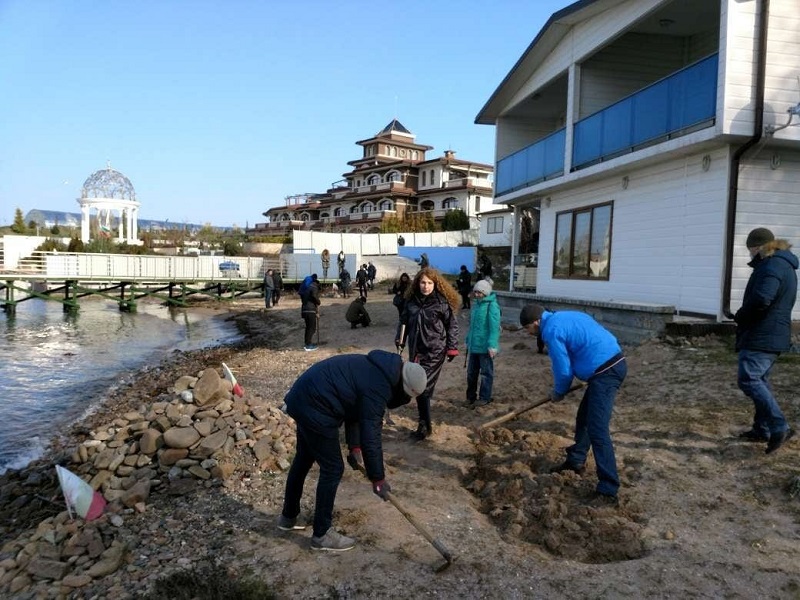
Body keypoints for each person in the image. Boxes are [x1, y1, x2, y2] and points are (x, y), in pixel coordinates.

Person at [278, 350, 428, 551]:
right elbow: (371, 435)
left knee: (304, 457)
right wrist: (378, 479)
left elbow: (353, 408)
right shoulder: (379, 387)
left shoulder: (382, 369)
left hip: (304, 397)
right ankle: (322, 535)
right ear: (404, 386)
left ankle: (288, 517)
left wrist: (354, 446)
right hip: (316, 406)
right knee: (332, 469)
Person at [519, 303, 627, 505]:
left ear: (536, 322)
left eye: (528, 329)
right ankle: (576, 460)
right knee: (584, 417)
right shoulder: (564, 316)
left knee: (597, 429)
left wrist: (559, 392)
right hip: (609, 364)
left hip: (606, 371)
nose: (528, 333)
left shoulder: (551, 330)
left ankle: (608, 489)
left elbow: (563, 369)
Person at [733, 227, 798, 453]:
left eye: (750, 248)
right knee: (761, 380)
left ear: (758, 247)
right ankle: (762, 429)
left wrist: (742, 315)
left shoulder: (772, 265)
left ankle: (779, 426)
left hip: (763, 335)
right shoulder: (782, 264)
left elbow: (762, 299)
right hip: (771, 334)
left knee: (749, 379)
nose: (750, 253)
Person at [397, 267, 460, 441]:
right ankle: (425, 424)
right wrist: (400, 341)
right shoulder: (411, 302)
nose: (426, 286)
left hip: (435, 351)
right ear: (417, 283)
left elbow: (452, 326)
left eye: (430, 283)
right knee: (419, 388)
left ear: (435, 284)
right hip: (416, 350)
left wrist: (452, 347)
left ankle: (424, 427)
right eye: (423, 282)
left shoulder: (441, 303)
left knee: (421, 387)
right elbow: (403, 323)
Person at [465, 279, 500, 408]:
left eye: (480, 292)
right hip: (474, 346)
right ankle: (470, 397)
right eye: (476, 292)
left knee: (486, 374)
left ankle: (484, 397)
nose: (477, 295)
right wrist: (468, 339)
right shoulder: (476, 305)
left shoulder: (492, 306)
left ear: (485, 293)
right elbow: (473, 326)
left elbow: (494, 327)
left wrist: (492, 345)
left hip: (485, 348)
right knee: (471, 373)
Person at [300, 274, 321, 351]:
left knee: (308, 328)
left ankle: (307, 343)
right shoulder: (314, 287)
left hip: (305, 309)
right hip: (310, 310)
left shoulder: (307, 288)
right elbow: (314, 296)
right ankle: (308, 345)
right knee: (312, 328)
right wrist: (318, 302)